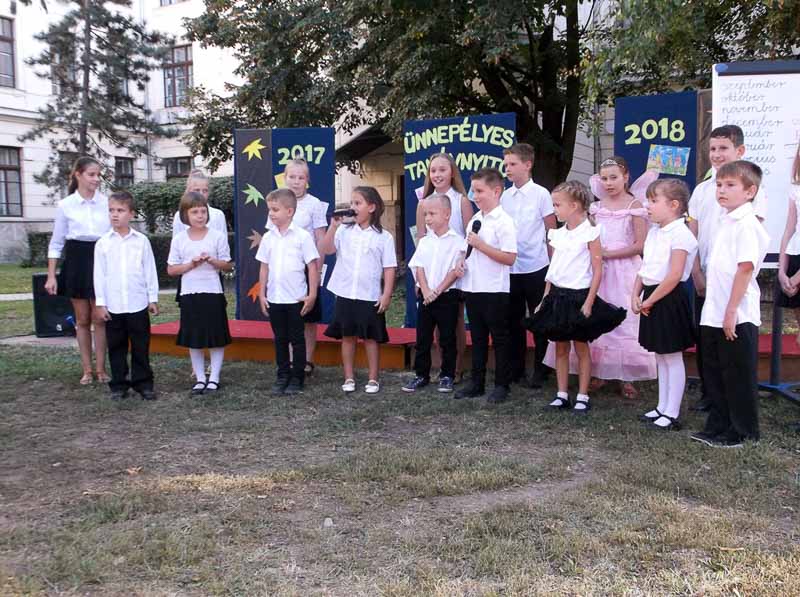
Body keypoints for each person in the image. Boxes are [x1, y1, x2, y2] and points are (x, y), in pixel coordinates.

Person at [526, 181, 625, 413]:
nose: (554, 210)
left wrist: (589, 302)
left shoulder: (590, 233)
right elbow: (554, 269)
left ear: (574, 206)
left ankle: (582, 395)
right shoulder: (557, 234)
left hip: (579, 296)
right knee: (560, 347)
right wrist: (545, 297)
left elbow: (598, 270)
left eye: (557, 205)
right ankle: (561, 394)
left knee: (581, 347)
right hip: (558, 297)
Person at [688, 125, 768, 411]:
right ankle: (711, 397)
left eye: (723, 148)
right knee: (707, 340)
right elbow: (693, 235)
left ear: (739, 151)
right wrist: (696, 273)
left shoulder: (751, 192)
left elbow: (749, 245)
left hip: (732, 280)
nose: (717, 154)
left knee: (731, 344)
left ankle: (734, 402)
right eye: (712, 149)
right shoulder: (701, 190)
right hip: (705, 275)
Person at [632, 180, 698, 430]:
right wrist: (636, 294)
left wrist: (650, 300)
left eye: (653, 201)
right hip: (651, 295)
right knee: (660, 354)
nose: (647, 205)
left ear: (673, 205)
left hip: (668, 298)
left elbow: (674, 274)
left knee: (671, 355)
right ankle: (662, 406)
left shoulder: (681, 234)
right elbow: (645, 267)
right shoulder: (654, 232)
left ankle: (672, 412)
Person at [320, 186, 396, 394]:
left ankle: (373, 378)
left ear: (371, 207)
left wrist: (386, 294)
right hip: (345, 293)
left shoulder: (384, 237)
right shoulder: (343, 231)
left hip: (369, 294)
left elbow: (389, 267)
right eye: (351, 203)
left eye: (358, 203)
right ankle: (349, 377)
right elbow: (326, 249)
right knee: (348, 335)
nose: (353, 207)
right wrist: (333, 227)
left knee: (371, 337)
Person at [45, 156, 111, 385]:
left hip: (101, 259)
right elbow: (56, 243)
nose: (96, 179)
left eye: (98, 175)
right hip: (76, 261)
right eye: (91, 174)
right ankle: (87, 370)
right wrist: (51, 276)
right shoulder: (66, 205)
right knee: (82, 319)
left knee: (100, 318)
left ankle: (101, 369)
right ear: (78, 175)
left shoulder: (106, 203)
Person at [454, 167, 517, 403]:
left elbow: (509, 257)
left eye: (480, 191)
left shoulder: (504, 221)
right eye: (473, 191)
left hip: (494, 289)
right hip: (473, 287)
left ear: (496, 191)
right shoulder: (475, 220)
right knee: (478, 337)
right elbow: (466, 249)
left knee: (499, 338)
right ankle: (476, 382)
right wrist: (461, 261)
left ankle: (502, 384)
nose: (475, 196)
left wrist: (481, 245)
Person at [93, 191, 160, 401]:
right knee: (116, 346)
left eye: (120, 210)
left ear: (131, 214)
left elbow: (149, 270)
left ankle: (143, 383)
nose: (115, 215)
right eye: (111, 210)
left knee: (140, 345)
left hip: (137, 303)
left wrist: (152, 298)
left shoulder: (141, 241)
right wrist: (101, 303)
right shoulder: (103, 243)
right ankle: (119, 384)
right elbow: (99, 275)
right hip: (114, 305)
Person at [500, 143, 557, 388]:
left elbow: (551, 231)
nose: (508, 169)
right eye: (506, 164)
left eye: (513, 164)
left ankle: (542, 370)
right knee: (513, 321)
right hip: (512, 268)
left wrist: (553, 267)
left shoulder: (541, 194)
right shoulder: (504, 196)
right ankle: (516, 369)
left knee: (539, 319)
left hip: (537, 266)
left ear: (528, 164)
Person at [414, 152, 474, 382]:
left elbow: (469, 237)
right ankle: (440, 368)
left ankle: (455, 369)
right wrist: (419, 280)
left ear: (452, 173)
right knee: (432, 323)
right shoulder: (423, 202)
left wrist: (460, 263)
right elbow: (421, 237)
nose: (437, 174)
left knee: (454, 321)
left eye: (442, 169)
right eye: (433, 170)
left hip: (454, 272)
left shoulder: (461, 200)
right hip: (430, 273)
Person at [266, 158, 329, 376]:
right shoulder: (276, 202)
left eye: (301, 177)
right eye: (292, 177)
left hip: (307, 267)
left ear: (307, 180)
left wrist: (318, 270)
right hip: (283, 269)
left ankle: (306, 360)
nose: (296, 181)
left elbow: (321, 240)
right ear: (285, 178)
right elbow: (270, 237)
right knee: (286, 316)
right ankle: (290, 360)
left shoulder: (315, 204)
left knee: (307, 317)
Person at [167, 192, 233, 396]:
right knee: (194, 336)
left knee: (215, 335)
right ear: (185, 215)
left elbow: (227, 265)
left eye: (203, 211)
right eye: (195, 212)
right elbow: (171, 269)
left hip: (212, 292)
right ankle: (200, 378)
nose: (200, 216)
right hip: (189, 293)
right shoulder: (179, 239)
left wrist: (212, 261)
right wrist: (191, 264)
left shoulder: (217, 236)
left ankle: (214, 378)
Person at [256, 189, 320, 396]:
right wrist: (263, 294)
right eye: (269, 210)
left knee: (297, 339)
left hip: (296, 299)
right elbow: (264, 267)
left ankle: (297, 377)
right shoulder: (268, 238)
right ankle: (282, 375)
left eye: (275, 210)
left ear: (290, 211)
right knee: (280, 339)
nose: (271, 214)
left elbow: (312, 266)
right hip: (275, 298)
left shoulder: (302, 237)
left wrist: (312, 294)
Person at [402, 193, 466, 394]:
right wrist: (426, 290)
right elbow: (418, 266)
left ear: (447, 214)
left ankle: (447, 375)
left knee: (447, 338)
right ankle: (421, 374)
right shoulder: (425, 241)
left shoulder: (458, 241)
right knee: (423, 337)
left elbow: (455, 271)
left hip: (447, 296)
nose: (427, 218)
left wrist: (437, 291)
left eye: (432, 214)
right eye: (425, 214)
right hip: (426, 296)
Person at [776, 141, 800, 344]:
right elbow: (789, 229)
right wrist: (782, 272)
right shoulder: (796, 189)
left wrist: (797, 277)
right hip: (795, 256)